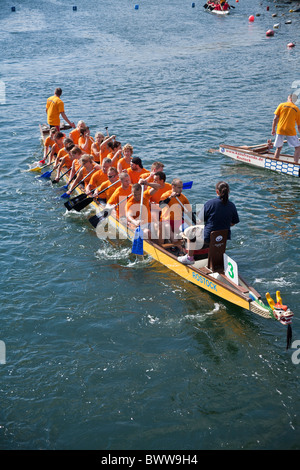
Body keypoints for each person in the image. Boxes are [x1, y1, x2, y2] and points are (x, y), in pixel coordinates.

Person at [178, 181, 239, 265]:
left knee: (190, 233)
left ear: (217, 191)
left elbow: (200, 221)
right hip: (223, 237)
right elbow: (233, 223)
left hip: (208, 238)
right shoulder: (232, 205)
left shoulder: (210, 203)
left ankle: (190, 258)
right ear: (228, 192)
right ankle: (216, 259)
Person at [159, 178, 192, 243]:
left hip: (178, 221)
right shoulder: (166, 195)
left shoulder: (183, 197)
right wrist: (170, 198)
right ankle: (180, 247)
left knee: (190, 230)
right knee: (169, 230)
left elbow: (188, 212)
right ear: (173, 186)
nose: (181, 190)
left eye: (182, 187)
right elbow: (161, 206)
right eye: (179, 188)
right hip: (166, 221)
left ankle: (188, 245)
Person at [272, 94, 300, 163]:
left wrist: (273, 129)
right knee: (297, 148)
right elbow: (299, 126)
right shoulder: (296, 109)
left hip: (280, 129)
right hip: (290, 131)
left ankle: (275, 162)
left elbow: (275, 119)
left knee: (279, 147)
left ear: (289, 99)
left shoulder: (281, 105)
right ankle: (296, 164)